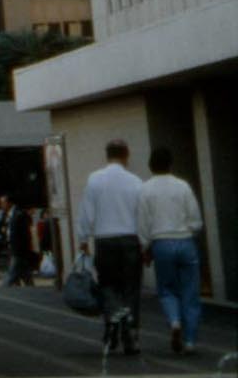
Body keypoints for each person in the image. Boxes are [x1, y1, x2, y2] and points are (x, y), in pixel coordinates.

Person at [76, 138, 144, 354]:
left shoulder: (94, 179)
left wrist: (83, 239)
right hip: (130, 239)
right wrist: (145, 242)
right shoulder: (136, 181)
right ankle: (131, 332)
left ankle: (112, 325)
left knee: (108, 286)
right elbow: (142, 215)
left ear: (107, 156)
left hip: (104, 240)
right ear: (126, 155)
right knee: (131, 288)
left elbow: (86, 211)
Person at [138, 145, 203, 356]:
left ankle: (175, 322)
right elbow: (195, 220)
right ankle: (191, 340)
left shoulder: (146, 189)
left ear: (151, 165)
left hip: (161, 243)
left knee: (167, 291)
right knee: (190, 293)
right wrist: (189, 231)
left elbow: (143, 224)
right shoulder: (183, 186)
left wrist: (145, 248)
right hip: (185, 242)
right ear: (170, 164)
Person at [2, 200, 37, 287]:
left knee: (14, 270)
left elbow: (24, 234)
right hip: (17, 247)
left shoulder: (19, 215)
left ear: (9, 203)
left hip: (18, 248)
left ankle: (6, 286)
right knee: (23, 270)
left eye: (3, 202)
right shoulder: (11, 215)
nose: (1, 205)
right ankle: (29, 284)